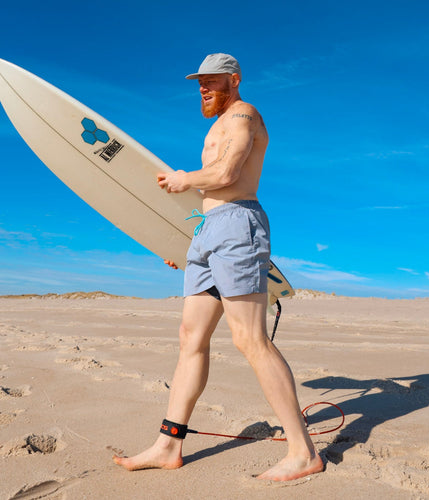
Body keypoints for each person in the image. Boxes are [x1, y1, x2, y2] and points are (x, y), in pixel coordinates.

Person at [113, 53, 323, 481]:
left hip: (237, 225)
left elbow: (227, 173)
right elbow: (206, 196)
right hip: (208, 231)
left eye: (212, 81)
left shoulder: (244, 113)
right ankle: (169, 444)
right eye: (200, 82)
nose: (204, 88)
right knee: (190, 337)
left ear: (235, 80)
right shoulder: (214, 126)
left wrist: (185, 178)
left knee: (250, 339)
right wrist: (179, 239)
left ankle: (303, 453)